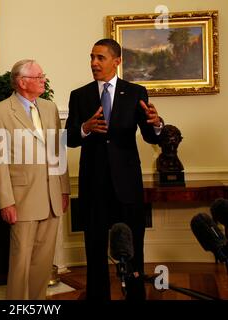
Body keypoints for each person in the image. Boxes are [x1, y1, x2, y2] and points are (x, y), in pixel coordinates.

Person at [65, 39, 163, 300]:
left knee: (133, 248)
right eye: (91, 58)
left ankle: (135, 296)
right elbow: (69, 138)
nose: (94, 63)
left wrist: (157, 123)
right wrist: (85, 128)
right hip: (93, 184)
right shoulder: (80, 95)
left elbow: (151, 137)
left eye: (100, 58)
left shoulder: (135, 92)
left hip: (127, 184)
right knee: (95, 248)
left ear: (117, 61)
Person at [0, 59, 70, 300]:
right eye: (38, 77)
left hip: (52, 196)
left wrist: (63, 189)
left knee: (43, 263)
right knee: (21, 262)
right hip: (21, 199)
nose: (43, 80)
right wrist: (6, 202)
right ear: (22, 82)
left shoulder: (49, 107)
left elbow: (58, 150)